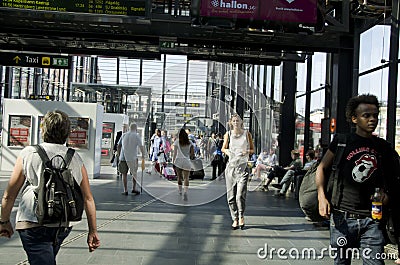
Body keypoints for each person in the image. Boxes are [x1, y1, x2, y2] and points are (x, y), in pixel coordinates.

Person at [0, 110, 100, 265]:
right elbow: (88, 198)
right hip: (62, 223)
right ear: (67, 132)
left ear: (43, 129)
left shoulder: (28, 153)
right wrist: (92, 230)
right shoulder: (75, 158)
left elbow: (9, 194)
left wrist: (4, 221)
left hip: (31, 222)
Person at [316, 94, 400, 265]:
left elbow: (394, 179)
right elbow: (322, 168)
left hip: (373, 219)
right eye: (366, 115)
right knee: (342, 262)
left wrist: (388, 196)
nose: (372, 119)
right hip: (342, 216)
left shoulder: (383, 147)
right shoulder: (342, 141)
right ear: (354, 118)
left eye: (375, 115)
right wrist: (321, 197)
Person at [222, 114, 254, 230]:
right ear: (231, 122)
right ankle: (234, 218)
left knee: (240, 195)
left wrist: (245, 152)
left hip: (243, 167)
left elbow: (252, 149)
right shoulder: (228, 134)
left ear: (241, 122)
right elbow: (223, 148)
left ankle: (241, 216)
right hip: (231, 167)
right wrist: (229, 152)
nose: (236, 122)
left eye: (238, 120)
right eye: (234, 121)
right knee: (231, 197)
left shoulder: (247, 134)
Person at [117, 123, 146, 195]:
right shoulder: (136, 135)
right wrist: (143, 155)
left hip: (123, 157)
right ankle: (134, 188)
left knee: (124, 174)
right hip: (132, 158)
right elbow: (141, 146)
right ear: (135, 128)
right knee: (134, 174)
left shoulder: (124, 135)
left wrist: (118, 154)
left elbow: (118, 145)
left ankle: (125, 190)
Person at [172, 128, 195, 201]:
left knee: (179, 177)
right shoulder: (190, 142)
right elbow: (192, 154)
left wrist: (173, 162)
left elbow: (174, 153)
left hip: (178, 160)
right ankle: (185, 191)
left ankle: (180, 190)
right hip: (186, 161)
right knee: (186, 178)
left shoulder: (176, 142)